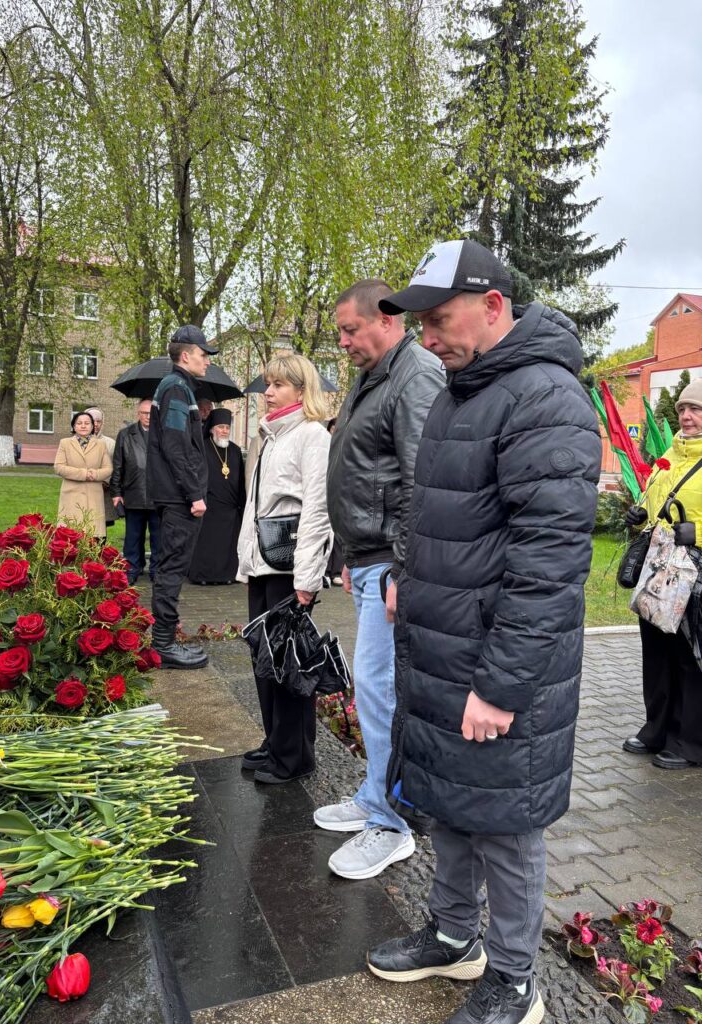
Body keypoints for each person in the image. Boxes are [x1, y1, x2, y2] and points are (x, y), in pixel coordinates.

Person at [366, 240, 601, 1024]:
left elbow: (549, 564)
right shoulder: (464, 389)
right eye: (422, 322)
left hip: (498, 664)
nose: (426, 336)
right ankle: (452, 934)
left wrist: (500, 687)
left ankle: (514, 979)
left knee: (505, 824)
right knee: (453, 802)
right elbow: (445, 510)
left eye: (439, 319)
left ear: (493, 306)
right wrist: (408, 576)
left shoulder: (545, 397)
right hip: (445, 648)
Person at [314, 278, 444, 880]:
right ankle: (374, 796)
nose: (343, 342)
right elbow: (365, 470)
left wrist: (402, 567)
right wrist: (350, 553)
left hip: (393, 565)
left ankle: (393, 823)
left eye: (350, 329)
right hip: (369, 559)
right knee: (373, 689)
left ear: (387, 320)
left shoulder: (414, 376)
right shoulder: (374, 375)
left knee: (381, 691)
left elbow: (422, 481)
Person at [237, 353, 332, 784]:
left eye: (278, 385)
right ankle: (276, 741)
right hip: (263, 562)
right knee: (264, 659)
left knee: (289, 664)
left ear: (301, 390)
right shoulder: (272, 435)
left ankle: (295, 756)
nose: (268, 392)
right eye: (267, 384)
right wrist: (246, 562)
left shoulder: (312, 435)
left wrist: (307, 578)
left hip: (289, 566)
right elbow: (255, 506)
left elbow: (318, 509)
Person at [622, 379, 702, 770]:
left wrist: (695, 535)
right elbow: (655, 500)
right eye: (683, 408)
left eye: (696, 409)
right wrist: (640, 514)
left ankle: (690, 742)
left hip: (696, 572)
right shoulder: (670, 454)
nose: (686, 416)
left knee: (689, 656)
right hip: (661, 567)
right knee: (656, 650)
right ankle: (656, 728)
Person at [146, 325, 217, 669]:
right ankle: (163, 645)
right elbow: (176, 447)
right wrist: (194, 493)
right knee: (172, 568)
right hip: (179, 497)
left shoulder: (179, 387)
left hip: (176, 495)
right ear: (186, 356)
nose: (208, 361)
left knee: (170, 566)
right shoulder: (176, 388)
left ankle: (164, 640)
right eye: (204, 355)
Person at [189, 408, 246, 584]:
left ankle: (227, 576)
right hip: (209, 506)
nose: (224, 431)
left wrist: (242, 507)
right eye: (221, 427)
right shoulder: (202, 448)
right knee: (208, 544)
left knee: (227, 545)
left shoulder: (235, 450)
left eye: (227, 427)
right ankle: (204, 576)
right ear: (212, 429)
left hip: (230, 508)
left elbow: (241, 481)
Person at [111, 399, 161, 585]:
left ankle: (156, 569)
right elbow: (118, 465)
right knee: (133, 536)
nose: (148, 416)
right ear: (138, 414)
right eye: (144, 413)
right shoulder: (125, 434)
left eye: (151, 413)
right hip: (133, 492)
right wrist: (116, 492)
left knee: (158, 536)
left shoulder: (164, 433)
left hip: (158, 495)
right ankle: (132, 568)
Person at [54, 411, 113, 538]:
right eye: (79, 423)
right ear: (74, 426)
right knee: (70, 536)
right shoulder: (65, 443)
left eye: (87, 423)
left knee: (93, 536)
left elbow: (108, 469)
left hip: (93, 496)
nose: (83, 426)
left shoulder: (101, 445)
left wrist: (95, 474)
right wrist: (84, 474)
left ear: (92, 426)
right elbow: (59, 467)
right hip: (71, 496)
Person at [85, 407, 117, 529]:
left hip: (103, 493)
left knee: (100, 529)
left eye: (99, 421)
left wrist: (105, 482)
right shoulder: (74, 442)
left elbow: (116, 465)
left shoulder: (110, 443)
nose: (96, 424)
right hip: (81, 492)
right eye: (92, 420)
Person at [324, 418, 344, 585]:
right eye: (332, 428)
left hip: (340, 495)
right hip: (324, 494)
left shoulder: (345, 446)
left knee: (338, 535)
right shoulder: (322, 445)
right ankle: (325, 570)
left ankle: (336, 571)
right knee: (324, 534)